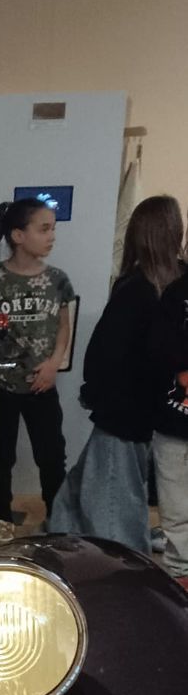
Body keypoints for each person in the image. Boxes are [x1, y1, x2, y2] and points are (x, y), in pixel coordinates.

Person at [48, 196, 184, 554]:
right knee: (84, 490)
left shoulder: (137, 289)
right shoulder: (173, 288)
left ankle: (121, 570)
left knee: (112, 504)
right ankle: (62, 546)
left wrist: (93, 392)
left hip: (123, 413)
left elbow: (105, 353)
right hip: (152, 410)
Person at [0, 198, 74, 543]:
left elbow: (64, 326)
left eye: (53, 229)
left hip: (42, 384)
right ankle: (2, 519)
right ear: (18, 235)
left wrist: (54, 363)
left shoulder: (58, 280)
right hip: (2, 385)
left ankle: (58, 518)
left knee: (52, 456)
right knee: (0, 457)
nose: (51, 236)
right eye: (44, 229)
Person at [148, 227, 188, 584]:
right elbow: (159, 352)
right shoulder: (177, 293)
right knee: (175, 508)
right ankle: (179, 574)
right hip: (174, 421)